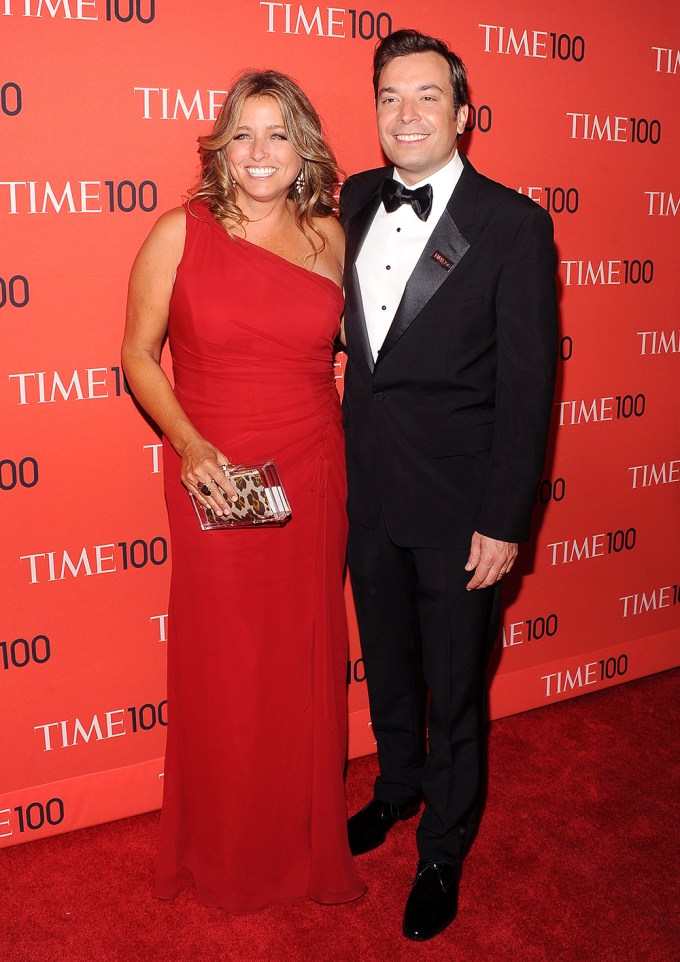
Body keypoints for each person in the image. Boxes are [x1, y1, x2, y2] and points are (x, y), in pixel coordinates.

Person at [121, 70, 365, 913]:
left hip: (311, 463)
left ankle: (301, 840)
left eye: (278, 134)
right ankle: (221, 847)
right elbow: (138, 356)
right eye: (243, 134)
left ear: (304, 151)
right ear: (221, 147)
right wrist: (188, 445)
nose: (260, 152)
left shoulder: (334, 237)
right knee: (222, 659)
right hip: (215, 470)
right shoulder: (178, 233)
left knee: (303, 655)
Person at [340, 30, 558, 941]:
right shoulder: (352, 198)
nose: (408, 114)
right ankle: (397, 787)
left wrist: (506, 519)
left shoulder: (513, 223)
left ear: (464, 114)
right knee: (388, 663)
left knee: (456, 684)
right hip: (369, 491)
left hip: (463, 506)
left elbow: (529, 381)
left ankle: (444, 843)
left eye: (428, 96)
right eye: (391, 96)